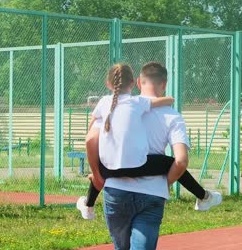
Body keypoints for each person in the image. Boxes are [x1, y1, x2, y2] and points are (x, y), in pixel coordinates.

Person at [84, 61, 221, 250]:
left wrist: (97, 176)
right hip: (150, 196)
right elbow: (181, 161)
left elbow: (92, 140)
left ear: (138, 82)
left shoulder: (115, 105)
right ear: (163, 84)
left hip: (116, 192)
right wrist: (164, 183)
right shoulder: (170, 114)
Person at [75, 66, 220, 220]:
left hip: (110, 169)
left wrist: (96, 171)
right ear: (133, 83)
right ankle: (203, 196)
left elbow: (91, 134)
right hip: (138, 166)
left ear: (108, 84)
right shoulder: (136, 102)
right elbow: (157, 102)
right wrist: (170, 99)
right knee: (172, 162)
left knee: (101, 167)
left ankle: (88, 205)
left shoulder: (105, 103)